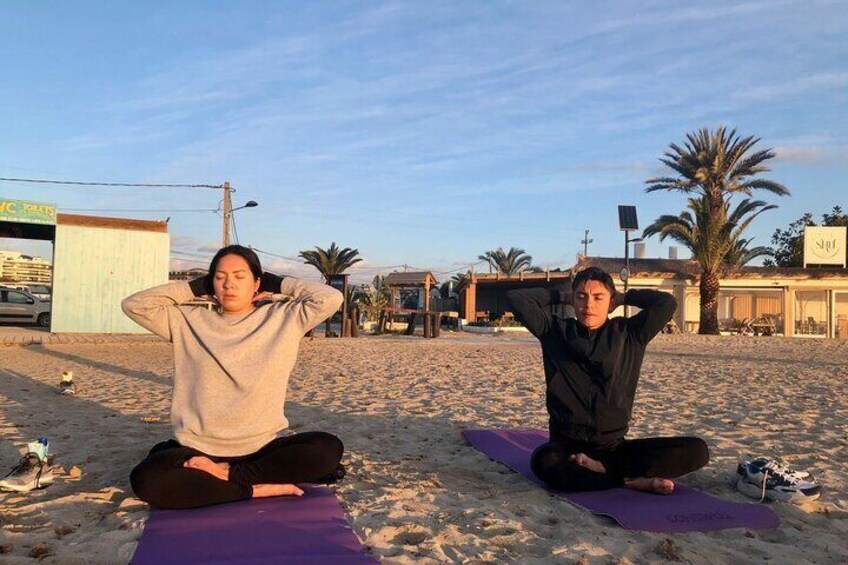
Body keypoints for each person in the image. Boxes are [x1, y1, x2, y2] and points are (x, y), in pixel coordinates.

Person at [123, 245, 345, 509]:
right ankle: (253, 489)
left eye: (240, 277)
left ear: (257, 283)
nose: (229, 284)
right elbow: (133, 305)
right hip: (199, 448)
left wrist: (278, 284)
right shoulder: (186, 320)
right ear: (211, 283)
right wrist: (196, 286)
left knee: (327, 448)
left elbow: (331, 298)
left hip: (262, 447)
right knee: (146, 480)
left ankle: (229, 478)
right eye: (219, 277)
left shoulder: (284, 318)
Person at [505, 267, 708, 494]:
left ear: (610, 303)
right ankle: (627, 481)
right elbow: (516, 299)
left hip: (612, 447)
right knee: (543, 462)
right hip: (567, 446)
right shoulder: (554, 330)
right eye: (581, 297)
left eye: (598, 297)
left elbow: (666, 303)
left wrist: (625, 297)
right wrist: (561, 296)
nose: (588, 304)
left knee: (697, 450)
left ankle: (602, 469)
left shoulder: (629, 333)